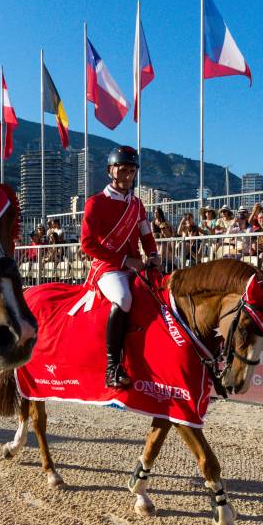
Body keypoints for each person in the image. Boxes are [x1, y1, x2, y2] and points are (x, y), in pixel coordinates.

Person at [80, 146, 159, 390]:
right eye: (123, 170)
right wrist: (124, 261)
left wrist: (154, 256)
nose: (127, 175)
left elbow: (146, 235)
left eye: (132, 171)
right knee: (124, 299)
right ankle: (112, 369)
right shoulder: (95, 203)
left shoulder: (137, 205)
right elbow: (87, 244)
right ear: (110, 171)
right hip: (108, 267)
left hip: (135, 265)